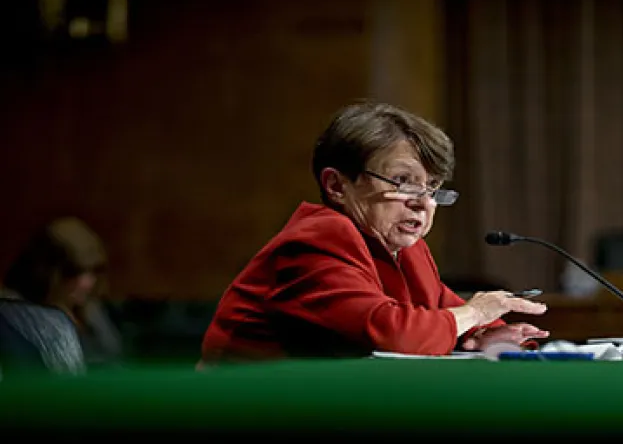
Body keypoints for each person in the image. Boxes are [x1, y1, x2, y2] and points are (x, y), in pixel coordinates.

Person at [200, 100, 549, 365]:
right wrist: (475, 314)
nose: (423, 204)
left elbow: (442, 317)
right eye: (403, 183)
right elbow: (393, 334)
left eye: (432, 188)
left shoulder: (406, 249)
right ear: (337, 186)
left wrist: (492, 335)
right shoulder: (316, 240)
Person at [0, 216, 122, 378]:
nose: (86, 283)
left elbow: (112, 362)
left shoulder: (92, 314)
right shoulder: (13, 317)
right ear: (48, 272)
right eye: (72, 272)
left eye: (93, 271)